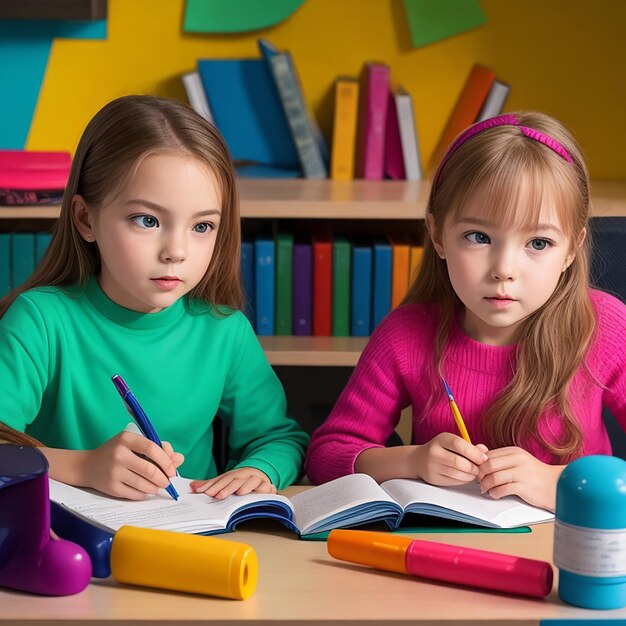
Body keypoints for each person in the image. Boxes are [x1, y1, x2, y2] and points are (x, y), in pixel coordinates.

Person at [305, 111, 625, 512]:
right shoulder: (406, 334)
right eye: (479, 237)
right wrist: (412, 460)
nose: (504, 270)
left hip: (574, 547)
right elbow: (326, 455)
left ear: (571, 250)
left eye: (539, 243)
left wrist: (557, 482)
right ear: (438, 235)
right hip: (446, 548)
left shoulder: (605, 327)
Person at [0, 95, 308, 501]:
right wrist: (85, 466)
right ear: (85, 219)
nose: (176, 251)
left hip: (191, 541)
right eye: (147, 220)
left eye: (202, 226)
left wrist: (259, 468)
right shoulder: (39, 320)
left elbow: (280, 437)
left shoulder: (225, 332)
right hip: (70, 541)